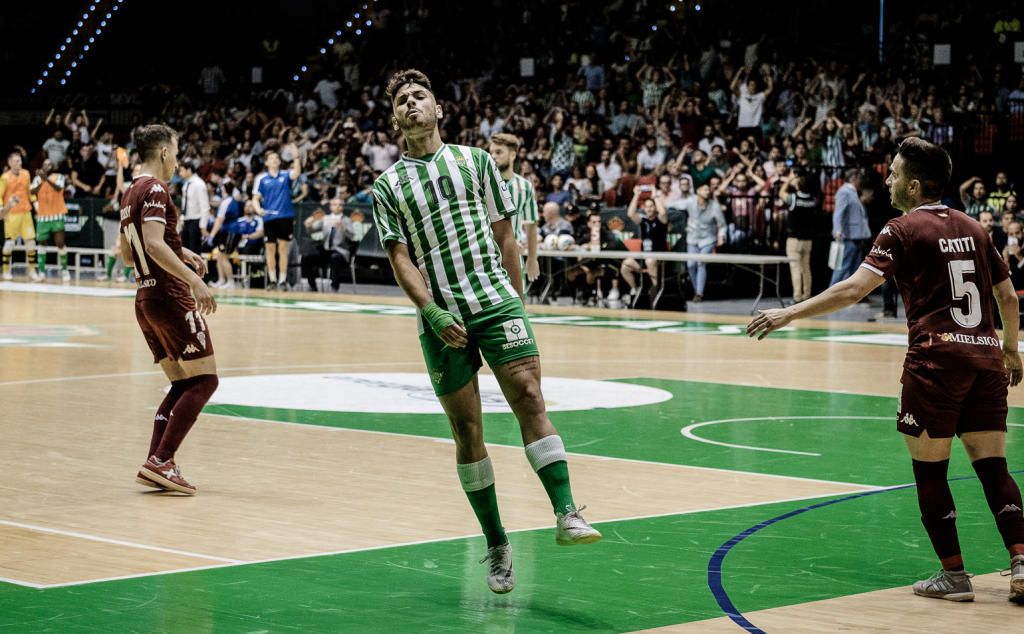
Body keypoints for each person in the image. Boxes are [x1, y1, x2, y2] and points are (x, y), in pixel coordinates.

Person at [748, 137, 1024, 604]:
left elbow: (854, 289)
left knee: (930, 473)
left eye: (894, 173)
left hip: (935, 362)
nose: (888, 180)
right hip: (984, 360)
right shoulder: (976, 228)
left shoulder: (901, 229)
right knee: (994, 468)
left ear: (915, 186)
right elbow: (1009, 297)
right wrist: (1011, 351)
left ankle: (954, 576)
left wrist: (788, 313)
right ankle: (1021, 561)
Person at [372, 69, 600, 595]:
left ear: (439, 107)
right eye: (402, 100)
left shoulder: (475, 162)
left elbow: (507, 234)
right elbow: (400, 259)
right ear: (394, 118)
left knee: (529, 394)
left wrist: (516, 302)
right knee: (467, 431)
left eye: (420, 96)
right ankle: (496, 542)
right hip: (442, 319)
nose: (412, 104)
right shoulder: (388, 186)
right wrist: (431, 311)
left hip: (495, 303)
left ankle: (567, 512)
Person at [119, 124, 219, 495]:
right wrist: (194, 281)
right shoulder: (158, 188)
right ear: (163, 153)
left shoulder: (131, 192)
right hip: (169, 296)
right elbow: (154, 245)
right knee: (205, 380)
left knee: (182, 382)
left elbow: (130, 254)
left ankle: (155, 462)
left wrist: (181, 251)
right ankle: (163, 459)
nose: (178, 160)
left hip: (144, 299)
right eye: (176, 151)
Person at [489, 133, 540, 285]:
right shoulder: (482, 184)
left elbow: (532, 224)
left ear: (512, 155)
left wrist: (532, 258)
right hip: (486, 257)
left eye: (498, 152)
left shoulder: (525, 187)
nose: (493, 156)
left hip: (515, 257)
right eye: (491, 152)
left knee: (519, 304)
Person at [252, 149, 301, 290]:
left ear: (279, 162)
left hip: (285, 216)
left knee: (283, 248)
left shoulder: (286, 175)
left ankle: (283, 280)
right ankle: (272, 280)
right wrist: (258, 209)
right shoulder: (261, 178)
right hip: (269, 218)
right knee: (270, 248)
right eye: (271, 158)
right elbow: (255, 198)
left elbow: (296, 172)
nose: (274, 159)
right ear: (267, 162)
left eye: (276, 157)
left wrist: (296, 156)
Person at [621, 186, 669, 304]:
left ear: (655, 208)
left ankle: (657, 291)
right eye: (647, 206)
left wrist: (655, 196)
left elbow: (662, 212)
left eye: (651, 206)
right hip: (644, 256)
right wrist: (636, 194)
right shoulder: (643, 221)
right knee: (625, 266)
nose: (649, 209)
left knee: (649, 261)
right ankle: (635, 289)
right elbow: (630, 213)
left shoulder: (661, 221)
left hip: (659, 257)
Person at [1, 152, 42, 282]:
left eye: (20, 161)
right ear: (10, 163)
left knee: (31, 243)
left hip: (26, 213)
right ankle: (6, 271)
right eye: (17, 161)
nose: (20, 163)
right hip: (11, 215)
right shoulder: (4, 178)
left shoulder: (26, 174)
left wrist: (35, 203)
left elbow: (30, 191)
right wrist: (2, 208)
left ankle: (32, 271)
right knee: (9, 243)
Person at [779, 172, 819, 303]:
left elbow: (781, 193)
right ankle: (807, 295)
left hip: (794, 240)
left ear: (799, 186)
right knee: (806, 268)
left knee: (795, 268)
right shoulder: (813, 200)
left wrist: (789, 179)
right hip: (808, 240)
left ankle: (797, 297)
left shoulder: (793, 198)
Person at [683, 183, 726, 302]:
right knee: (691, 265)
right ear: (698, 191)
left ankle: (699, 293)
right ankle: (697, 290)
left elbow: (722, 225)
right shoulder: (690, 202)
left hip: (708, 239)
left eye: (708, 189)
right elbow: (675, 204)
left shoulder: (715, 206)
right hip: (692, 238)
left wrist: (721, 236)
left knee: (701, 262)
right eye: (705, 189)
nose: (707, 191)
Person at [29, 159, 71, 282]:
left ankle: (64, 270)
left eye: (50, 164)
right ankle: (41, 272)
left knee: (60, 243)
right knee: (42, 243)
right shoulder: (37, 179)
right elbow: (32, 191)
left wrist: (46, 179)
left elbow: (59, 189)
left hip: (57, 214)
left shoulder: (59, 177)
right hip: (42, 216)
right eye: (45, 164)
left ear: (53, 166)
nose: (47, 165)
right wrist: (42, 180)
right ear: (42, 166)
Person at [829, 168, 871, 286]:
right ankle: (830, 295)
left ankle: (848, 297)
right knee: (843, 267)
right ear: (854, 178)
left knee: (854, 269)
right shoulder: (844, 192)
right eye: (859, 178)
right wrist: (837, 230)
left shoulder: (852, 192)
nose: (861, 181)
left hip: (856, 235)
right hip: (849, 236)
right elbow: (838, 213)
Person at [178, 160, 211, 256]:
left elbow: (204, 206)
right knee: (185, 249)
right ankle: (186, 270)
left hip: (196, 221)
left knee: (194, 250)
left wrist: (203, 225)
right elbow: (185, 205)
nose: (180, 173)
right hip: (187, 220)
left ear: (189, 170)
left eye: (182, 170)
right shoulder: (186, 185)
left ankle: (195, 271)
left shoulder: (199, 184)